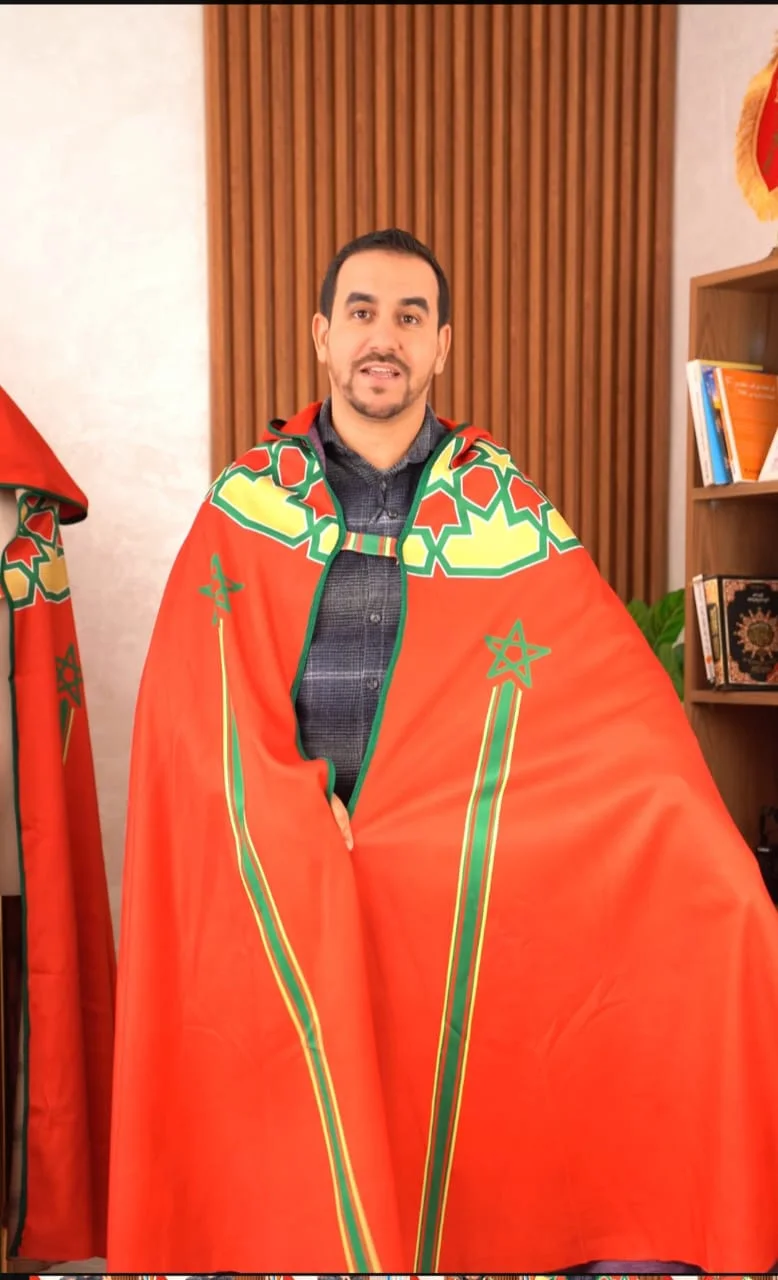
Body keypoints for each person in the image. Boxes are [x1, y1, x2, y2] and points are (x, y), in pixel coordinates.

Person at [107, 229, 778, 1274]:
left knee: (716, 908)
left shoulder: (502, 505)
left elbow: (614, 707)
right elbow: (193, 718)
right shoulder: (249, 500)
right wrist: (297, 817)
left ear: (442, 345)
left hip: (451, 856)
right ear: (322, 334)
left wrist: (709, 856)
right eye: (363, 312)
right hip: (284, 852)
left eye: (410, 317)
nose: (385, 337)